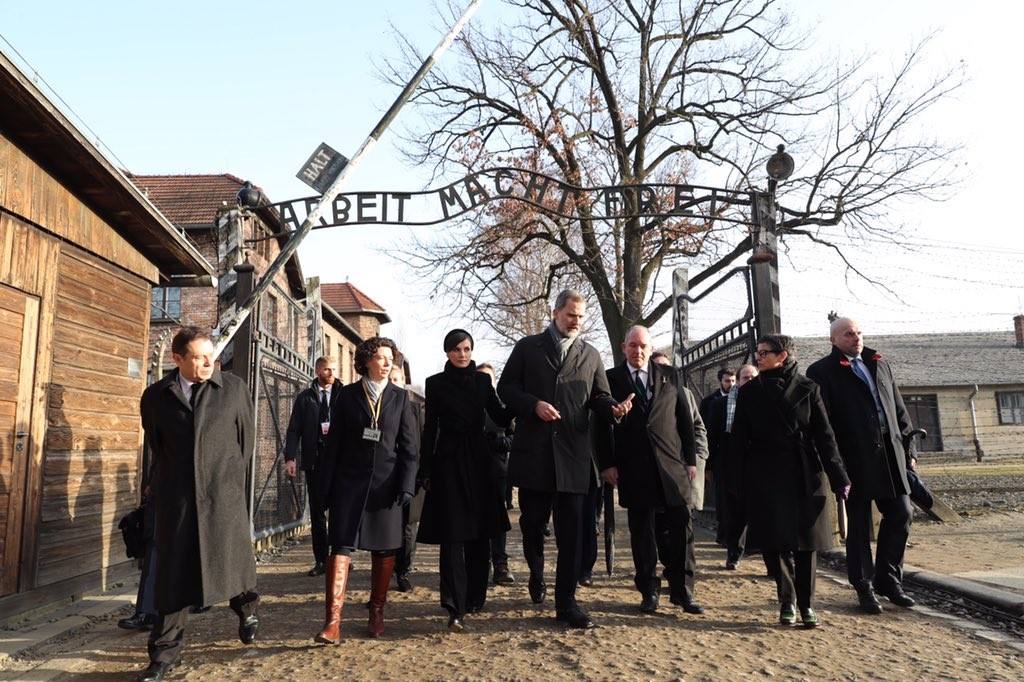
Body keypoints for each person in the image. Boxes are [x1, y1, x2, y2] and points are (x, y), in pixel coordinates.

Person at [497, 289, 634, 629]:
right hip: (536, 457)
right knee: (532, 526)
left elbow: (600, 397)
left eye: (581, 317)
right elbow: (506, 389)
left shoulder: (590, 355)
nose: (577, 321)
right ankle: (536, 571)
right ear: (556, 312)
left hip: (574, 457)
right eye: (571, 314)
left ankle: (567, 602)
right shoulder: (528, 347)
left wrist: (614, 409)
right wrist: (533, 405)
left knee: (572, 534)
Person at [137, 326, 258, 681]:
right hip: (177, 500)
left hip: (223, 495)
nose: (209, 362)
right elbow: (157, 446)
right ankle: (164, 655)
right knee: (173, 576)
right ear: (177, 359)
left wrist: (225, 478)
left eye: (211, 355)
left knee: (233, 560)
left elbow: (245, 444)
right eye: (199, 357)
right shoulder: (156, 396)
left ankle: (247, 609)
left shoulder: (233, 389)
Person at [729, 334, 850, 628]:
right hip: (765, 474)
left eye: (764, 352)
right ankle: (787, 600)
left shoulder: (809, 389)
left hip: (804, 472)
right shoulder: (749, 392)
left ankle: (807, 604)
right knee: (775, 540)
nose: (758, 357)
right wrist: (734, 479)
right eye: (756, 352)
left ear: (782, 355)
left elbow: (825, 435)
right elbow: (738, 440)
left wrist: (838, 476)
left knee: (806, 543)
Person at [806, 317, 919, 615]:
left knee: (902, 512)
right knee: (858, 526)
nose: (856, 338)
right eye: (848, 334)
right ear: (833, 340)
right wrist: (835, 466)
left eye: (858, 333)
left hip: (890, 456)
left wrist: (910, 449)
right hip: (853, 459)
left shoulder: (879, 363)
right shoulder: (821, 372)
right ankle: (864, 586)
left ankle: (889, 581)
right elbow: (823, 424)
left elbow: (899, 410)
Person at [597, 326, 708, 615]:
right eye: (633, 345)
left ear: (650, 347)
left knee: (682, 527)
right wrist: (607, 464)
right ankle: (649, 591)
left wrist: (691, 460)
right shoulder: (609, 380)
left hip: (673, 466)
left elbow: (685, 419)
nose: (638, 351)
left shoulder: (670, 376)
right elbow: (600, 427)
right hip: (633, 467)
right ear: (624, 347)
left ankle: (683, 591)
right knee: (642, 532)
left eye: (643, 346)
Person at [314, 337, 418, 644]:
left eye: (391, 359)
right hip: (349, 484)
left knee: (385, 549)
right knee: (341, 547)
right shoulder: (346, 396)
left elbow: (410, 449)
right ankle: (333, 622)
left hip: (387, 487)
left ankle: (376, 612)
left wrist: (407, 485)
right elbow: (333, 446)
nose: (387, 363)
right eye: (382, 357)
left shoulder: (401, 398)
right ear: (367, 361)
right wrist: (325, 488)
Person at [416, 331, 512, 632]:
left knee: (480, 534)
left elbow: (502, 415)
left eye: (467, 349)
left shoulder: (483, 382)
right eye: (457, 349)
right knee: (452, 537)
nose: (463, 354)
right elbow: (430, 429)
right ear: (447, 352)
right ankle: (453, 606)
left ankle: (474, 597)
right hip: (448, 464)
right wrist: (426, 470)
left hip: (480, 463)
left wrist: (524, 398)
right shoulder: (435, 384)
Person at [284, 357, 341, 577]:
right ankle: (321, 560)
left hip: (338, 464)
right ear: (318, 370)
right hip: (315, 463)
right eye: (327, 369)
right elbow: (293, 430)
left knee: (338, 513)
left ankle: (339, 557)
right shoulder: (305, 398)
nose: (331, 373)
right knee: (318, 514)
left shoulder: (343, 395)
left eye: (334, 369)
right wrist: (290, 457)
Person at [712, 363, 759, 569]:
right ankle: (734, 552)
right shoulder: (721, 405)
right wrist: (711, 467)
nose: (749, 381)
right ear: (738, 381)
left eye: (753, 377)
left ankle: (771, 559)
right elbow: (712, 437)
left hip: (760, 465)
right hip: (731, 466)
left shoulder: (767, 402)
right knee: (735, 513)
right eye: (745, 378)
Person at [478, 362, 516, 586]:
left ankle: (500, 564)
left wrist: (500, 442)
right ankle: (477, 564)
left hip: (497, 469)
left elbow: (514, 437)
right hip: (471, 470)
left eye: (488, 379)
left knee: (498, 519)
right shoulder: (468, 405)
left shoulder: (503, 407)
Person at [391, 360, 426, 593]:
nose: (394, 384)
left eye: (397, 380)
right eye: (390, 380)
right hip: (387, 477)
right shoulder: (378, 410)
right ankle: (390, 567)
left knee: (409, 525)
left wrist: (423, 474)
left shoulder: (416, 410)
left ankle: (404, 569)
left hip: (413, 476)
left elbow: (423, 442)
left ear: (404, 383)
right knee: (391, 525)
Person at [700, 368, 735, 546]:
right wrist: (708, 464)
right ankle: (722, 534)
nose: (731, 384)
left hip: (736, 457)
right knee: (721, 499)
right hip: (718, 456)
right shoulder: (709, 402)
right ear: (721, 381)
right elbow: (707, 433)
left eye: (733, 381)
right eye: (727, 381)